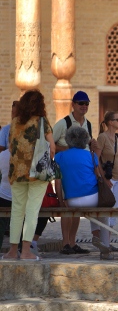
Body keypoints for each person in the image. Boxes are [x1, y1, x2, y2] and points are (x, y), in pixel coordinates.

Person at [3, 90, 55, 261]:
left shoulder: (15, 122)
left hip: (17, 173)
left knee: (17, 210)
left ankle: (12, 251)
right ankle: (25, 251)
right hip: (37, 174)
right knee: (32, 211)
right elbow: (52, 147)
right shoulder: (42, 122)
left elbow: (11, 148)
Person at [55, 126, 113, 260]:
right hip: (92, 198)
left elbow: (57, 183)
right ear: (85, 141)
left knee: (71, 210)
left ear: (68, 140)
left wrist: (61, 202)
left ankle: (67, 243)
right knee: (103, 214)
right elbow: (98, 176)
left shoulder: (59, 156)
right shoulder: (91, 155)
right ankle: (104, 245)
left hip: (72, 200)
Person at [53, 91, 95, 255]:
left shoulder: (88, 124)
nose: (84, 106)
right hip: (65, 167)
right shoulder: (63, 123)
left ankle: (72, 242)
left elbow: (88, 144)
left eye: (86, 103)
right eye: (81, 103)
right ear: (73, 104)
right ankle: (65, 243)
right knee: (66, 205)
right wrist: (68, 150)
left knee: (75, 207)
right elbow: (50, 143)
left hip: (80, 168)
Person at [95, 111, 118, 252]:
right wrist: (103, 178)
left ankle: (107, 243)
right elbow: (95, 159)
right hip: (108, 180)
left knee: (114, 212)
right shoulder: (102, 138)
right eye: (117, 120)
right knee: (106, 211)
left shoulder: (117, 137)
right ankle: (104, 243)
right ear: (110, 122)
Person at [0, 150, 12, 249]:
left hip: (3, 194)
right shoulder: (28, 153)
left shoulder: (3, 154)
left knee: (1, 223)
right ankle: (21, 248)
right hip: (21, 196)